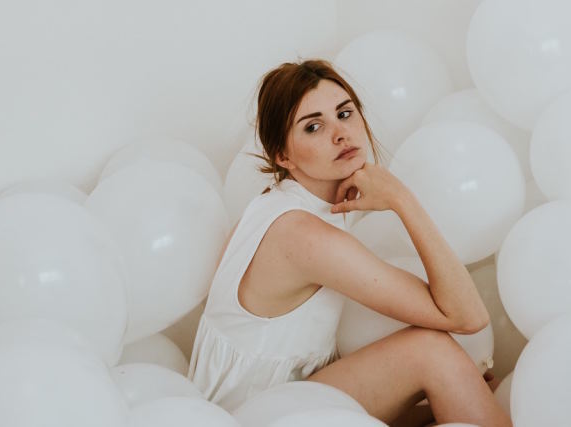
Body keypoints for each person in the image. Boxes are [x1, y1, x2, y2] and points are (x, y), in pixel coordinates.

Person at [188, 59, 511, 427]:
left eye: (345, 113)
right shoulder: (303, 234)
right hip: (252, 417)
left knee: (458, 389)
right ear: (283, 156)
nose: (340, 134)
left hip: (279, 402)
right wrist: (402, 199)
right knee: (433, 352)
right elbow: (468, 317)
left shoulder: (276, 204)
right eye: (313, 127)